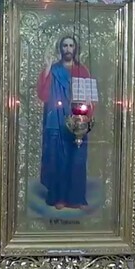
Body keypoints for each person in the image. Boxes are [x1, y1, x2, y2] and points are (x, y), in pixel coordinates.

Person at [36, 35, 92, 210]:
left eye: (71, 45)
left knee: (76, 160)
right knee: (58, 159)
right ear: (60, 48)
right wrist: (46, 68)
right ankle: (58, 197)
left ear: (75, 48)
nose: (68, 49)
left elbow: (90, 96)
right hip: (57, 122)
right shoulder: (53, 70)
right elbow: (43, 95)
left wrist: (86, 115)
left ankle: (76, 199)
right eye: (65, 45)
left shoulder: (82, 71)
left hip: (77, 121)